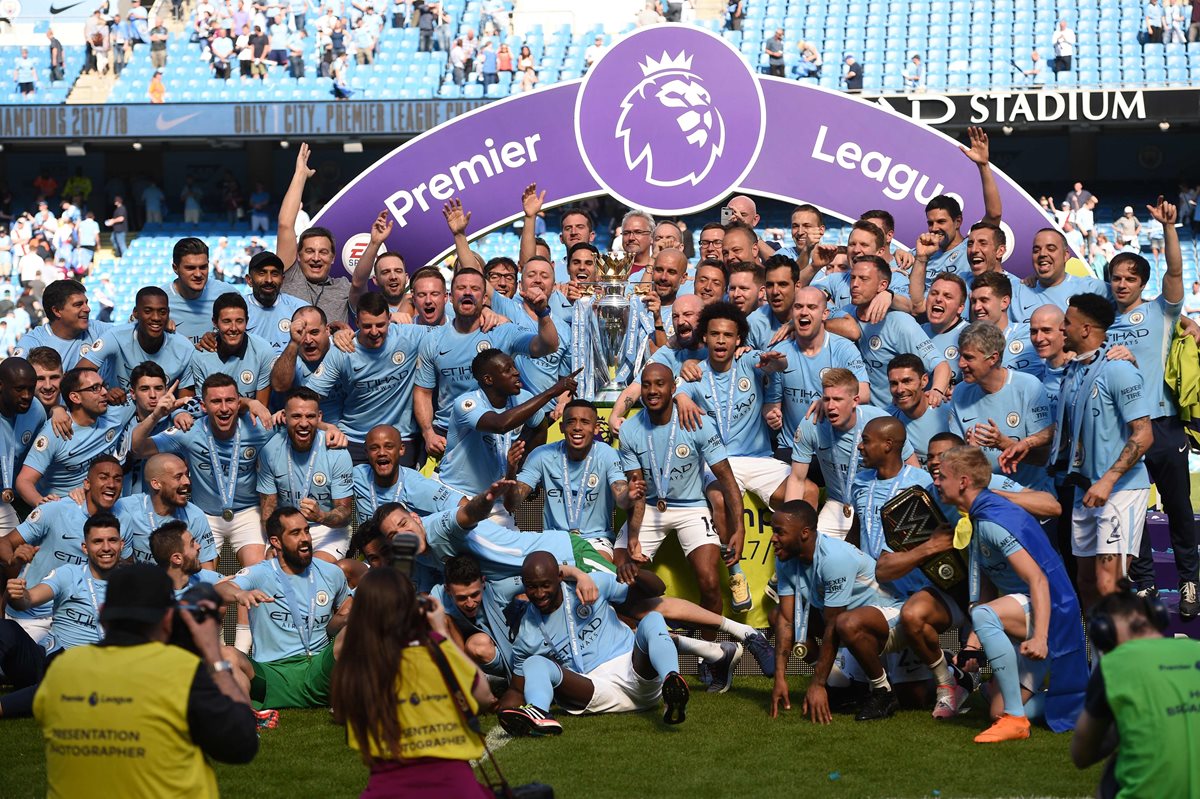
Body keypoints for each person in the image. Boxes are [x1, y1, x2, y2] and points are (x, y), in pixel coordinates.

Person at [32, 562, 257, 794]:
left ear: (101, 613)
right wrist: (213, 656)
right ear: (168, 617)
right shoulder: (181, 671)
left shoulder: (62, 668)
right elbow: (241, 743)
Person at [1003, 294, 1152, 612]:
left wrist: (1108, 481)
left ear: (1085, 329)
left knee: (1108, 583)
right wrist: (1026, 443)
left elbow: (1144, 434)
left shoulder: (1118, 369)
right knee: (1084, 582)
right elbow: (1064, 427)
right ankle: (1100, 660)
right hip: (1084, 488)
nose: (1063, 329)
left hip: (1119, 489)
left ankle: (1124, 659)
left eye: (1067, 323)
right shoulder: (1074, 372)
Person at [934, 446, 1087, 743]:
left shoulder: (992, 520)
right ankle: (1086, 702)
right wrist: (973, 644)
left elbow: (1039, 579)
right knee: (996, 712)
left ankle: (1017, 719)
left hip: (1049, 611)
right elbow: (990, 581)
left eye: (942, 476)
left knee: (984, 614)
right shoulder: (980, 515)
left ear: (963, 481)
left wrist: (1040, 636)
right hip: (1027, 611)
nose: (936, 482)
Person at [1106, 200, 1198, 621]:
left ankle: (1188, 581)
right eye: (1116, 278)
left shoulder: (1161, 311)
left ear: (1143, 282)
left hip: (1163, 427)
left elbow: (1176, 273)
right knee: (1134, 512)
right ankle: (1145, 585)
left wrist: (1169, 228)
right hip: (1124, 431)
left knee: (1179, 510)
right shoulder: (1101, 320)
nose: (1122, 284)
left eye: (1130, 278)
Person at [332, 565, 494, 797]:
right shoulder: (435, 646)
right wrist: (441, 631)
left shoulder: (355, 663)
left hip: (387, 785)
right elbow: (483, 695)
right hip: (454, 783)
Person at [673, 301, 790, 610]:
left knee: (799, 495)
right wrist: (682, 399)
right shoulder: (695, 373)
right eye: (714, 334)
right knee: (720, 500)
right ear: (705, 338)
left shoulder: (750, 359)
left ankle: (783, 574)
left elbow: (778, 365)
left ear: (739, 339)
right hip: (717, 462)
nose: (721, 340)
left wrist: (773, 361)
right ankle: (735, 573)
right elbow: (678, 391)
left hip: (759, 458)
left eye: (728, 335)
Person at [497, 551, 691, 735]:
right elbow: (516, 689)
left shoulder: (590, 585)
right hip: (595, 690)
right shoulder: (526, 634)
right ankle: (538, 713)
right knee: (534, 663)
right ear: (524, 584)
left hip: (636, 671)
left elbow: (658, 589)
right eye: (532, 586)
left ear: (560, 577)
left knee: (652, 619)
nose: (539, 593)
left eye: (545, 585)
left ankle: (672, 685)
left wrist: (637, 574)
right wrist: (504, 712)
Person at [616, 362, 744, 636]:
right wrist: (633, 535)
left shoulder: (697, 422)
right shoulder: (629, 431)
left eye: (659, 384)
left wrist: (740, 528)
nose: (652, 391)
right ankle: (638, 646)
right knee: (618, 574)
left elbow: (727, 478)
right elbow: (636, 490)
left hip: (691, 507)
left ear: (674, 388)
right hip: (649, 507)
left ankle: (713, 656)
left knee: (710, 582)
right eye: (647, 384)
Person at [132, 374, 276, 570]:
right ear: (203, 406)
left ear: (238, 402)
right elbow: (137, 448)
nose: (224, 408)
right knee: (202, 579)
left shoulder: (259, 429)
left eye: (230, 401)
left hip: (247, 513)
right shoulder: (189, 431)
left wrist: (327, 427)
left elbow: (297, 427)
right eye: (216, 401)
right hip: (203, 515)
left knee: (259, 570)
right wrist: (157, 415)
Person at [414, 267, 559, 459]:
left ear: (484, 299)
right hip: (448, 436)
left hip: (497, 432)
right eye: (461, 288)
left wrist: (542, 313)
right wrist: (428, 433)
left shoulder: (503, 331)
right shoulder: (433, 341)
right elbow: (423, 392)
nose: (467, 292)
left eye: (474, 288)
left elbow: (548, 346)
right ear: (450, 296)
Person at [217, 506, 353, 709]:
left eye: (306, 530)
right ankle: (246, 717)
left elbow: (345, 613)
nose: (305, 538)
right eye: (295, 533)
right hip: (271, 674)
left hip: (318, 670)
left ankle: (371, 700)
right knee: (226, 654)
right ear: (276, 542)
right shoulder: (260, 573)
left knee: (358, 628)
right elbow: (219, 590)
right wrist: (239, 593)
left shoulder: (331, 573)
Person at [1070, 585, 1200, 797]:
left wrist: (1116, 735)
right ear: (1158, 617)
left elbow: (1081, 754)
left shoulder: (1114, 665)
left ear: (1103, 633)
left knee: (1114, 770)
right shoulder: (1196, 649)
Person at [1, 512, 124, 717]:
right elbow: (29, 599)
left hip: (87, 672)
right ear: (85, 547)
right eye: (97, 541)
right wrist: (18, 594)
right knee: (5, 629)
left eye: (112, 540)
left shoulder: (134, 584)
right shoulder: (69, 573)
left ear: (121, 544)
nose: (105, 548)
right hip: (46, 660)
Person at [437, 349, 573, 525]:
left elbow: (540, 424)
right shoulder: (466, 403)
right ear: (488, 379)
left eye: (514, 367)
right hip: (457, 494)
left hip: (496, 502)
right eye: (507, 369)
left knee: (516, 552)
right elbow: (500, 425)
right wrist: (550, 393)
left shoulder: (523, 398)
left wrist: (525, 465)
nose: (516, 372)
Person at [787, 367, 918, 537]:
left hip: (875, 501)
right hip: (837, 504)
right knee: (811, 550)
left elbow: (912, 468)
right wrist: (791, 522)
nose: (831, 406)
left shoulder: (880, 423)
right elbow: (797, 479)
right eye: (826, 399)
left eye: (838, 399)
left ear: (855, 400)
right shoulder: (811, 425)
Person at [303, 292, 425, 465]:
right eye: (367, 326)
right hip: (354, 438)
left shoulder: (409, 336)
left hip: (399, 437)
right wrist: (321, 424)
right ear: (357, 322)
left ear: (390, 318)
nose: (374, 332)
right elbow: (308, 397)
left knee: (400, 491)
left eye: (381, 325)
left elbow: (449, 333)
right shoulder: (343, 349)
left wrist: (478, 311)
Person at [512, 399, 633, 561]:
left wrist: (632, 494)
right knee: (540, 571)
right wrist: (511, 470)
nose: (577, 427)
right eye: (571, 422)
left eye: (585, 422)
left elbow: (622, 500)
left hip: (595, 538)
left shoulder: (608, 455)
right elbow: (512, 503)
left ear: (596, 428)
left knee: (598, 571)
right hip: (553, 538)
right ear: (562, 427)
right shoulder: (542, 455)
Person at [257, 388, 355, 560]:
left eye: (310, 416)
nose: (303, 423)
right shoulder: (270, 451)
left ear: (319, 417)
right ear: (284, 417)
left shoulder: (337, 452)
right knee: (273, 565)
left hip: (327, 530)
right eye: (296, 416)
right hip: (286, 528)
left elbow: (345, 513)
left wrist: (321, 516)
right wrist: (277, 540)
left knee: (316, 570)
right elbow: (268, 511)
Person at [17, 367, 133, 506]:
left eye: (103, 386)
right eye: (95, 388)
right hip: (64, 506)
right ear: (75, 397)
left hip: (100, 503)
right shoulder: (56, 431)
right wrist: (43, 505)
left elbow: (146, 395)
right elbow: (24, 481)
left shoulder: (115, 414)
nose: (104, 392)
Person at [277, 143, 352, 325]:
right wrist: (301, 175)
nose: (316, 258)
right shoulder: (290, 277)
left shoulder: (344, 287)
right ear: (299, 256)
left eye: (323, 252)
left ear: (333, 257)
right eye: (309, 251)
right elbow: (285, 225)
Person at [79, 286, 196, 396]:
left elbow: (185, 404)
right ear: (135, 313)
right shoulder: (116, 336)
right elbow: (78, 374)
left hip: (162, 414)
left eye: (162, 312)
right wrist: (103, 390)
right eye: (148, 311)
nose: (156, 317)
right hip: (118, 412)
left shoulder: (184, 349)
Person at [115, 452, 217, 568]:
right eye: (178, 477)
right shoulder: (126, 508)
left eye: (186, 475)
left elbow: (207, 569)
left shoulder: (195, 516)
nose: (187, 481)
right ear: (156, 484)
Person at [352, 424, 464, 527]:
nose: (382, 453)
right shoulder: (358, 475)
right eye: (374, 448)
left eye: (389, 446)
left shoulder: (417, 484)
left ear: (401, 449)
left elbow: (465, 505)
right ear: (366, 453)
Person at [189, 293, 275, 406]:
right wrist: (246, 402)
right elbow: (204, 406)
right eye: (227, 321)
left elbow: (260, 407)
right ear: (215, 322)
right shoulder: (200, 356)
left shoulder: (263, 351)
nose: (233, 328)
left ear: (247, 322)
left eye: (239, 321)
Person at [13, 279, 112, 377]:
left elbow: (125, 335)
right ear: (56, 311)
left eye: (86, 303)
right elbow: (14, 377)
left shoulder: (98, 330)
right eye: (78, 305)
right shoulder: (33, 343)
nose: (87, 309)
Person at [161, 237, 241, 345]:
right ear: (175, 268)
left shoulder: (226, 292)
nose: (198, 274)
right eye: (190, 268)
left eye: (203, 267)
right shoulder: (159, 300)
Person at [0, 357, 47, 527]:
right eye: (19, 389)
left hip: (13, 497)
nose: (27, 396)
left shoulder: (36, 411)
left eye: (31, 389)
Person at [886, 353, 950, 466]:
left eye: (907, 381)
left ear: (924, 381)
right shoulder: (887, 420)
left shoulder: (947, 414)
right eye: (894, 384)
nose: (900, 390)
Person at [243, 251, 307, 354]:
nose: (269, 280)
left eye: (275, 274)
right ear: (249, 280)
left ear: (282, 280)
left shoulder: (301, 309)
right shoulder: (237, 309)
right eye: (262, 273)